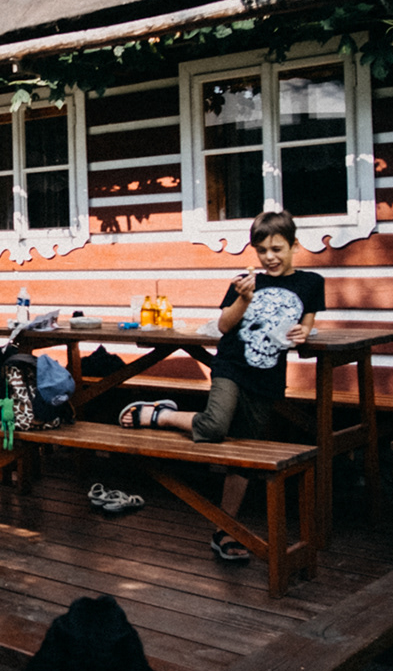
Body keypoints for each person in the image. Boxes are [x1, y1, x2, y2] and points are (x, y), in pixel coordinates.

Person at [119, 209, 324, 564]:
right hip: (231, 365)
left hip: (267, 376)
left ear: (294, 246)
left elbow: (306, 323)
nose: (269, 257)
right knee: (214, 426)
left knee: (243, 455)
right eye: (262, 250)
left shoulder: (311, 283)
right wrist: (244, 298)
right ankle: (159, 415)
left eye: (277, 249)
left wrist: (303, 333)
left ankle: (224, 529)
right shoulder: (244, 282)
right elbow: (225, 327)